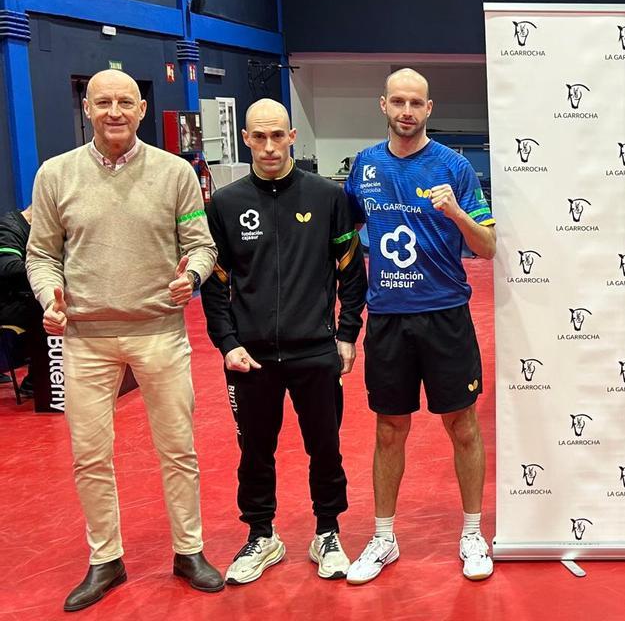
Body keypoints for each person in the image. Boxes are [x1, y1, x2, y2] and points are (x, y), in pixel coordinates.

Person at [25, 69, 222, 611]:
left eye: (125, 103)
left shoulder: (176, 172)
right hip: (85, 337)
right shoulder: (55, 175)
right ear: (87, 109)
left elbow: (201, 245)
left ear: (140, 109)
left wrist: (194, 278)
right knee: (90, 455)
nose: (115, 111)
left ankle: (189, 550)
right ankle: (105, 559)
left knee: (178, 449)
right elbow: (41, 254)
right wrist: (50, 296)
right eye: (103, 102)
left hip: (159, 331)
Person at [199, 99, 367, 585]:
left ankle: (328, 531)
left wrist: (347, 333)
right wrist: (227, 342)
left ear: (292, 136)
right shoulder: (225, 205)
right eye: (259, 137)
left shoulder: (326, 197)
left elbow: (351, 273)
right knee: (254, 450)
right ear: (245, 140)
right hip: (249, 357)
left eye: (278, 136)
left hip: (315, 350)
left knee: (325, 447)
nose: (269, 146)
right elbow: (215, 283)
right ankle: (261, 535)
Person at [344, 68, 496, 583]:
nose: (407, 111)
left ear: (429, 109)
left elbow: (488, 247)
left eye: (417, 103)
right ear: (383, 105)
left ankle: (472, 532)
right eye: (399, 102)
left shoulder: (454, 166)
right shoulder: (364, 166)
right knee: (389, 429)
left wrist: (456, 213)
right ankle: (383, 537)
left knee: (462, 425)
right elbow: (343, 237)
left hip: (445, 315)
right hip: (387, 318)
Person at [0, 206, 42, 400]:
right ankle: (39, 382)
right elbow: (8, 267)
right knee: (46, 309)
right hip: (6, 302)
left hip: (25, 300)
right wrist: (48, 270)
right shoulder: (10, 227)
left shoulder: (47, 232)